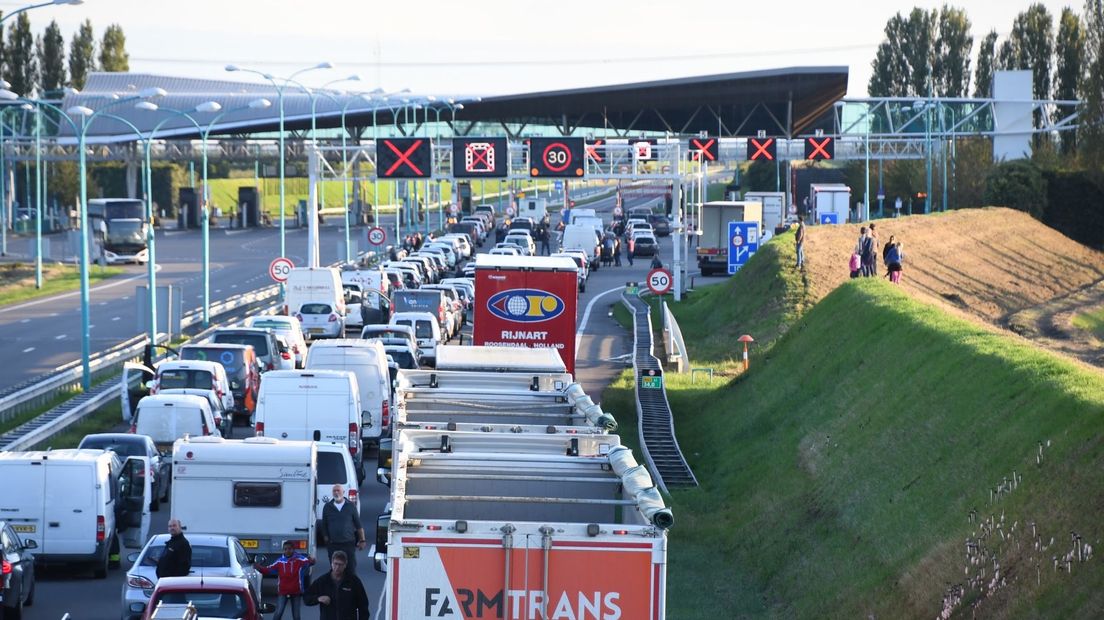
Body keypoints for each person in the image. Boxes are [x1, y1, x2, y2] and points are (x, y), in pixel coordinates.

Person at [255, 541, 316, 620]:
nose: (287, 551)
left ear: (293, 549)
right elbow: (268, 569)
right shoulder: (279, 562)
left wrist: (312, 560)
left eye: (289, 549)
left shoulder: (300, 560)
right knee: (278, 613)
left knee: (296, 616)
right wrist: (258, 568)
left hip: (296, 592)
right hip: (283, 592)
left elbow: (310, 562)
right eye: (285, 549)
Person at [303, 550, 371, 619]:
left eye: (340, 564)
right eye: (335, 564)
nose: (337, 567)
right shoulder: (322, 581)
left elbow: (363, 605)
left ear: (345, 565)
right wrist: (318, 599)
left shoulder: (354, 582)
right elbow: (306, 597)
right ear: (331, 563)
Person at [320, 485, 366, 573]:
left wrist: (362, 540)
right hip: (333, 544)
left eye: (338, 490)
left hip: (348, 543)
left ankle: (351, 586)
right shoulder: (327, 507)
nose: (336, 493)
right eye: (334, 491)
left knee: (350, 568)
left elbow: (358, 525)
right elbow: (324, 525)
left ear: (343, 492)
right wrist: (326, 539)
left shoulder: (350, 506)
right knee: (335, 569)